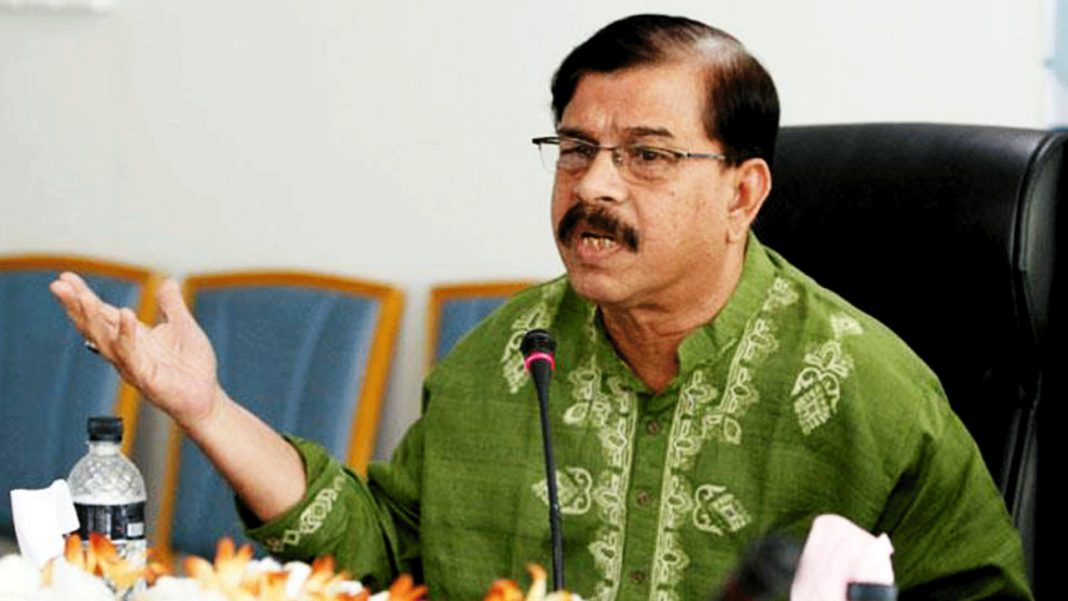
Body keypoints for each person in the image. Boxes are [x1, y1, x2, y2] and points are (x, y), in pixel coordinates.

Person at [50, 14, 1032, 601]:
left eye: (647, 156)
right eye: (574, 149)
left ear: (743, 193)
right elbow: (385, 552)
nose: (593, 185)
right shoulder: (507, 357)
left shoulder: (870, 392)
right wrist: (206, 409)